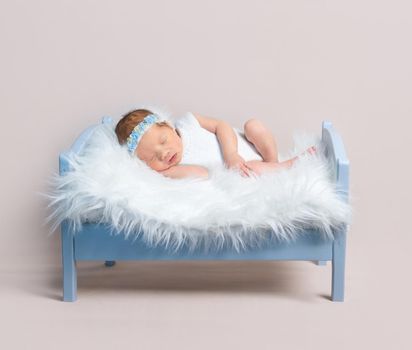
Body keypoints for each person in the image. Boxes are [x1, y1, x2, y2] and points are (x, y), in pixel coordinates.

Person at [114, 108, 316, 179]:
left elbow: (222, 125)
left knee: (253, 125)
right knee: (250, 170)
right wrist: (163, 172)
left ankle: (274, 162)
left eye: (163, 140)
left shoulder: (188, 122)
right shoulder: (174, 168)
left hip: (247, 149)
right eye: (152, 158)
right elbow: (202, 175)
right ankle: (286, 167)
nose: (164, 153)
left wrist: (231, 155)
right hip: (245, 171)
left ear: (167, 125)